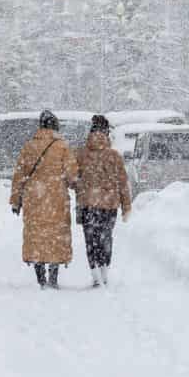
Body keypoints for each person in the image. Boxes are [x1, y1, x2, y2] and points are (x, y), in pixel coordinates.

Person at [9, 111, 79, 289]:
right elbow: (72, 175)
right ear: (55, 126)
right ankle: (53, 276)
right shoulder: (62, 146)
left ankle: (40, 277)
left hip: (34, 198)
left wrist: (16, 200)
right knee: (57, 235)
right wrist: (76, 186)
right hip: (57, 198)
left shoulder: (29, 146)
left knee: (36, 236)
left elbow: (19, 175)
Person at [73, 114, 132, 287]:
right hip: (109, 204)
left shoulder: (81, 154)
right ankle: (105, 270)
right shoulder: (114, 156)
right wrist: (126, 206)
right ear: (107, 133)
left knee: (90, 240)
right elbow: (123, 182)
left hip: (88, 204)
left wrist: (80, 187)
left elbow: (72, 179)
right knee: (105, 238)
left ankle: (95, 272)